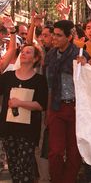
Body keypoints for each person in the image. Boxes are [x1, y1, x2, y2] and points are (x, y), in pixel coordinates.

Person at [45, 20, 90, 183]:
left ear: (69, 37)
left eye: (58, 35)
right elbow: (49, 85)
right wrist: (48, 111)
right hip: (56, 107)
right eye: (53, 35)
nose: (54, 38)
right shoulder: (50, 55)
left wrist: (86, 65)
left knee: (74, 153)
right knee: (55, 152)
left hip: (76, 109)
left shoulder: (80, 54)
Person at [0, 44, 48, 182]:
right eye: (22, 51)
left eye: (28, 52)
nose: (23, 54)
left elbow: (41, 105)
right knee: (14, 167)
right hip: (8, 128)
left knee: (24, 166)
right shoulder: (8, 76)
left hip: (28, 131)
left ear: (35, 58)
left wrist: (20, 103)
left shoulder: (39, 80)